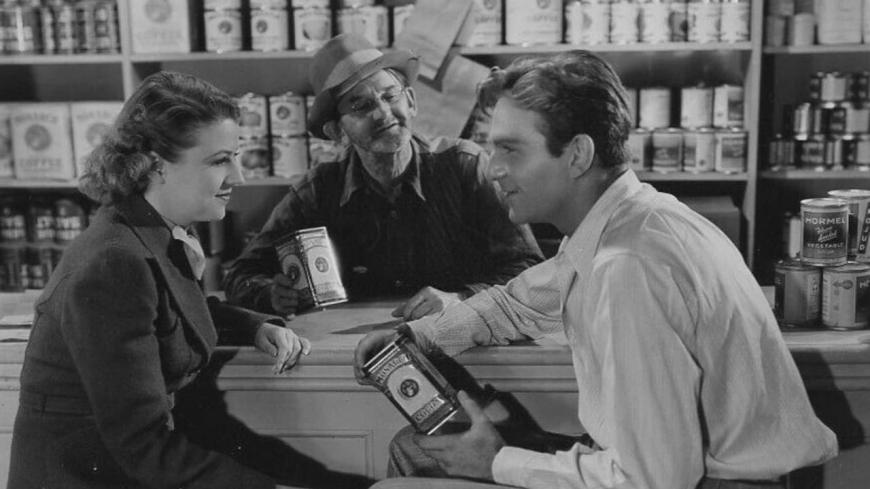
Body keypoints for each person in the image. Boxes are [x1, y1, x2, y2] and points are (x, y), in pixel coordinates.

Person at [354, 51, 838, 489]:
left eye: (510, 149)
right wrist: (418, 335)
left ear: (578, 155)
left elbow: (655, 479)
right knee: (415, 447)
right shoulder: (631, 220)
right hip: (690, 473)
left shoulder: (628, 266)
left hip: (707, 483)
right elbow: (516, 304)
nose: (493, 167)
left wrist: (496, 463)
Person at [7, 71, 312, 489]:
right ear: (155, 165)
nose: (238, 176)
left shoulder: (149, 227)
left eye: (236, 156)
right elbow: (144, 447)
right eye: (220, 160)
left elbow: (170, 310)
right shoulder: (114, 263)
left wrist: (254, 326)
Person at [223, 33, 543, 321]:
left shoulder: (465, 166)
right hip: (355, 354)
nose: (383, 113)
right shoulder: (317, 191)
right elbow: (240, 275)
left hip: (463, 346)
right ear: (336, 131)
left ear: (411, 101)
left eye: (390, 96)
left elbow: (530, 270)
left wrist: (461, 299)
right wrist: (270, 293)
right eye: (360, 106)